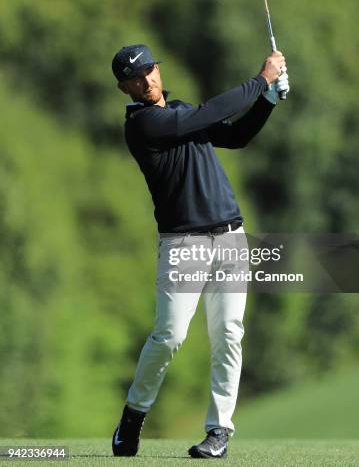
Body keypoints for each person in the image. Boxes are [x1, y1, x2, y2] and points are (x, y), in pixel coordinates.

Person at [111, 44, 289, 459]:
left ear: (158, 68)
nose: (147, 81)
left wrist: (267, 101)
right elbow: (207, 114)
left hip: (231, 237)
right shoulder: (144, 125)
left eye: (150, 71)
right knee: (169, 335)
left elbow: (237, 136)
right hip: (183, 244)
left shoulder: (181, 113)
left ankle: (219, 430)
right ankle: (134, 415)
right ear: (125, 88)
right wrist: (260, 79)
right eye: (136, 78)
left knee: (229, 333)